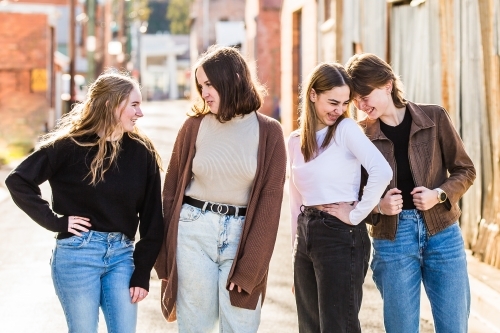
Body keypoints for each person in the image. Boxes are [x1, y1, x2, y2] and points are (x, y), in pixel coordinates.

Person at [5, 70, 164, 333]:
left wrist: (142, 271)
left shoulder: (142, 153)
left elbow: (152, 220)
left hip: (121, 258)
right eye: (134, 105)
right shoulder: (68, 147)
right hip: (77, 256)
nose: (140, 113)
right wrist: (55, 222)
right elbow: (18, 181)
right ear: (110, 104)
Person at [154, 45, 287, 333]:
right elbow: (171, 190)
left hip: (242, 238)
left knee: (241, 325)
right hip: (193, 233)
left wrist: (251, 266)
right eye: (201, 86)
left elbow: (270, 202)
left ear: (234, 79)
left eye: (210, 84)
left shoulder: (270, 132)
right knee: (195, 326)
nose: (204, 93)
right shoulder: (193, 127)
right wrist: (163, 251)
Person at [345, 53, 476, 333]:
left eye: (365, 95)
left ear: (388, 85)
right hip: (393, 240)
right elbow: (350, 196)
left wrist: (439, 194)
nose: (360, 104)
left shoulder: (434, 118)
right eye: (355, 99)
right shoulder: (359, 135)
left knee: (454, 327)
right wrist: (378, 207)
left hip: (443, 234)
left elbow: (465, 170)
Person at [288, 62, 393, 333]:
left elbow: (381, 171)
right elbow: (294, 203)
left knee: (338, 327)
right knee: (308, 327)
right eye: (333, 102)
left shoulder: (345, 130)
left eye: (345, 103)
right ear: (313, 94)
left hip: (340, 237)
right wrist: (294, 252)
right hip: (306, 237)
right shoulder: (295, 141)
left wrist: (356, 214)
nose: (339, 110)